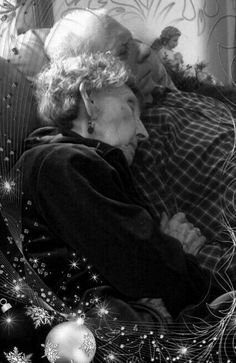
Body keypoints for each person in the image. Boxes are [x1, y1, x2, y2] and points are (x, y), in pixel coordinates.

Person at [43, 8, 236, 288]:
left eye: (133, 40)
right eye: (123, 50)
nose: (145, 50)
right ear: (90, 88)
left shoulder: (166, 94)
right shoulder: (130, 145)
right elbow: (182, 255)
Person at [16, 52, 211, 327]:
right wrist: (177, 249)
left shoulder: (72, 164)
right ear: (88, 98)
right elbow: (144, 267)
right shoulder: (60, 163)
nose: (144, 133)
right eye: (130, 106)